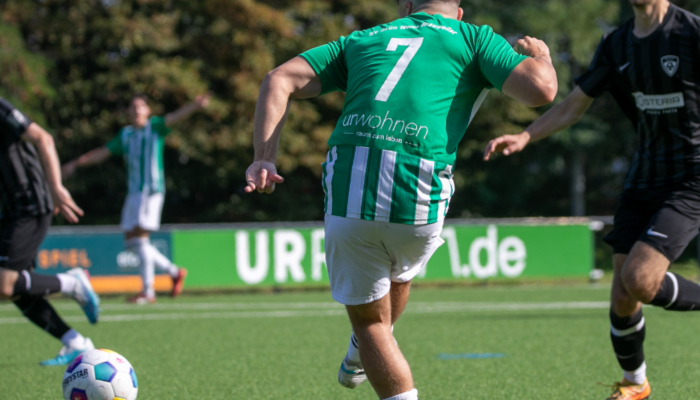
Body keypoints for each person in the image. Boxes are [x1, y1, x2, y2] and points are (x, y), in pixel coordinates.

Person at [245, 0, 557, 398]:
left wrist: (263, 158)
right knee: (399, 270)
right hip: (420, 187)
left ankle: (367, 339)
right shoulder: (474, 38)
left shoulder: (363, 39)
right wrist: (543, 57)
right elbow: (542, 90)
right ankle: (366, 341)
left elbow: (278, 79)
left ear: (406, 7)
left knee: (371, 324)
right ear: (458, 12)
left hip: (351, 183)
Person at [484, 1, 700, 399]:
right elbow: (572, 106)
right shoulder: (616, 45)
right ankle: (635, 384)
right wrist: (526, 135)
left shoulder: (691, 34)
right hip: (644, 177)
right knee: (622, 296)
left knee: (640, 279)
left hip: (691, 179)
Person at [62, 93, 211, 304]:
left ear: (148, 111)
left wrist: (194, 106)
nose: (137, 110)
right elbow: (103, 152)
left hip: (150, 191)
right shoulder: (125, 135)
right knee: (132, 242)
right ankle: (173, 272)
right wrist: (76, 163)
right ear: (128, 112)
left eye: (141, 106)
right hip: (134, 193)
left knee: (139, 240)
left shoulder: (154, 127)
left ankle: (148, 291)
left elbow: (174, 117)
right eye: (133, 106)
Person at [0, 97, 100, 366]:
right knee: (17, 290)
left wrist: (55, 187)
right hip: (8, 211)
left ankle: (72, 283)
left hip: (29, 205)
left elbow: (43, 138)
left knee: (4, 283)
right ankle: (75, 342)